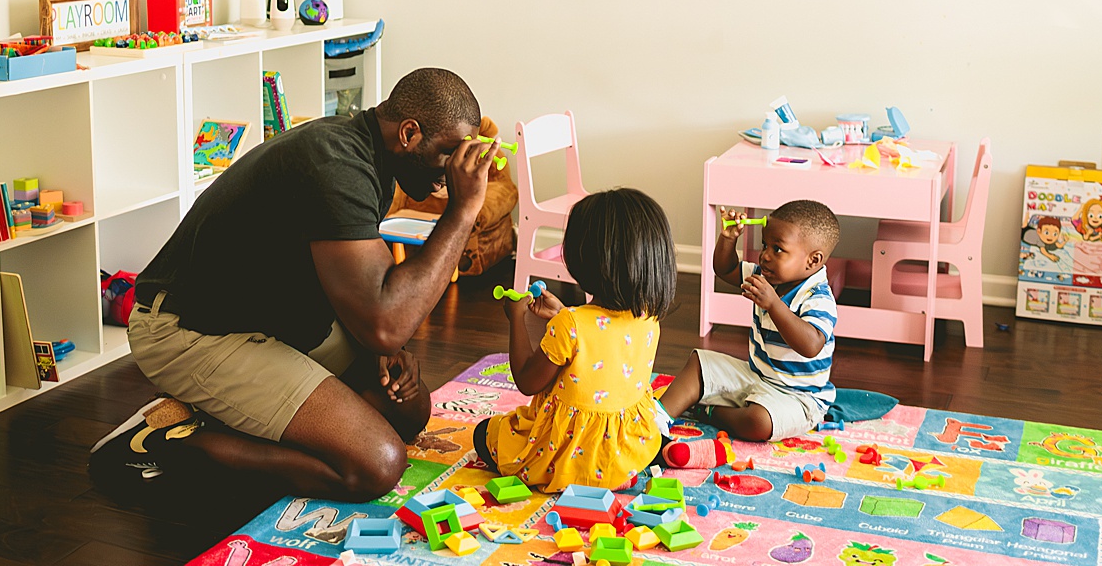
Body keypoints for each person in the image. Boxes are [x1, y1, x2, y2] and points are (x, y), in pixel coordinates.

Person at [93, 68, 499, 502]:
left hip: (266, 320)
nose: (455, 169)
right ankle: (165, 440)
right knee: (376, 465)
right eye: (450, 153)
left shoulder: (368, 155)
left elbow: (370, 295)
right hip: (189, 329)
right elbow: (386, 323)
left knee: (407, 409)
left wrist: (381, 345)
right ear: (409, 133)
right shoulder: (336, 164)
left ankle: (225, 416)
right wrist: (463, 210)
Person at [472, 188, 677, 491]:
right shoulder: (648, 315)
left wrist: (516, 319)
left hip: (570, 457)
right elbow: (602, 339)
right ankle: (656, 453)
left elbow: (528, 381)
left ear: (586, 260)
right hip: (628, 451)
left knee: (483, 434)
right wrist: (565, 314)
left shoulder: (571, 325)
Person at [658, 200, 839, 443]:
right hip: (756, 374)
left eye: (778, 249)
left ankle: (711, 412)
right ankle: (655, 418)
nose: (764, 256)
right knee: (699, 363)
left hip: (799, 398)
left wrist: (774, 304)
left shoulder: (818, 298)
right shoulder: (764, 276)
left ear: (813, 261)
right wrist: (728, 239)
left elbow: (811, 345)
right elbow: (726, 268)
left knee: (758, 422)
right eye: (765, 245)